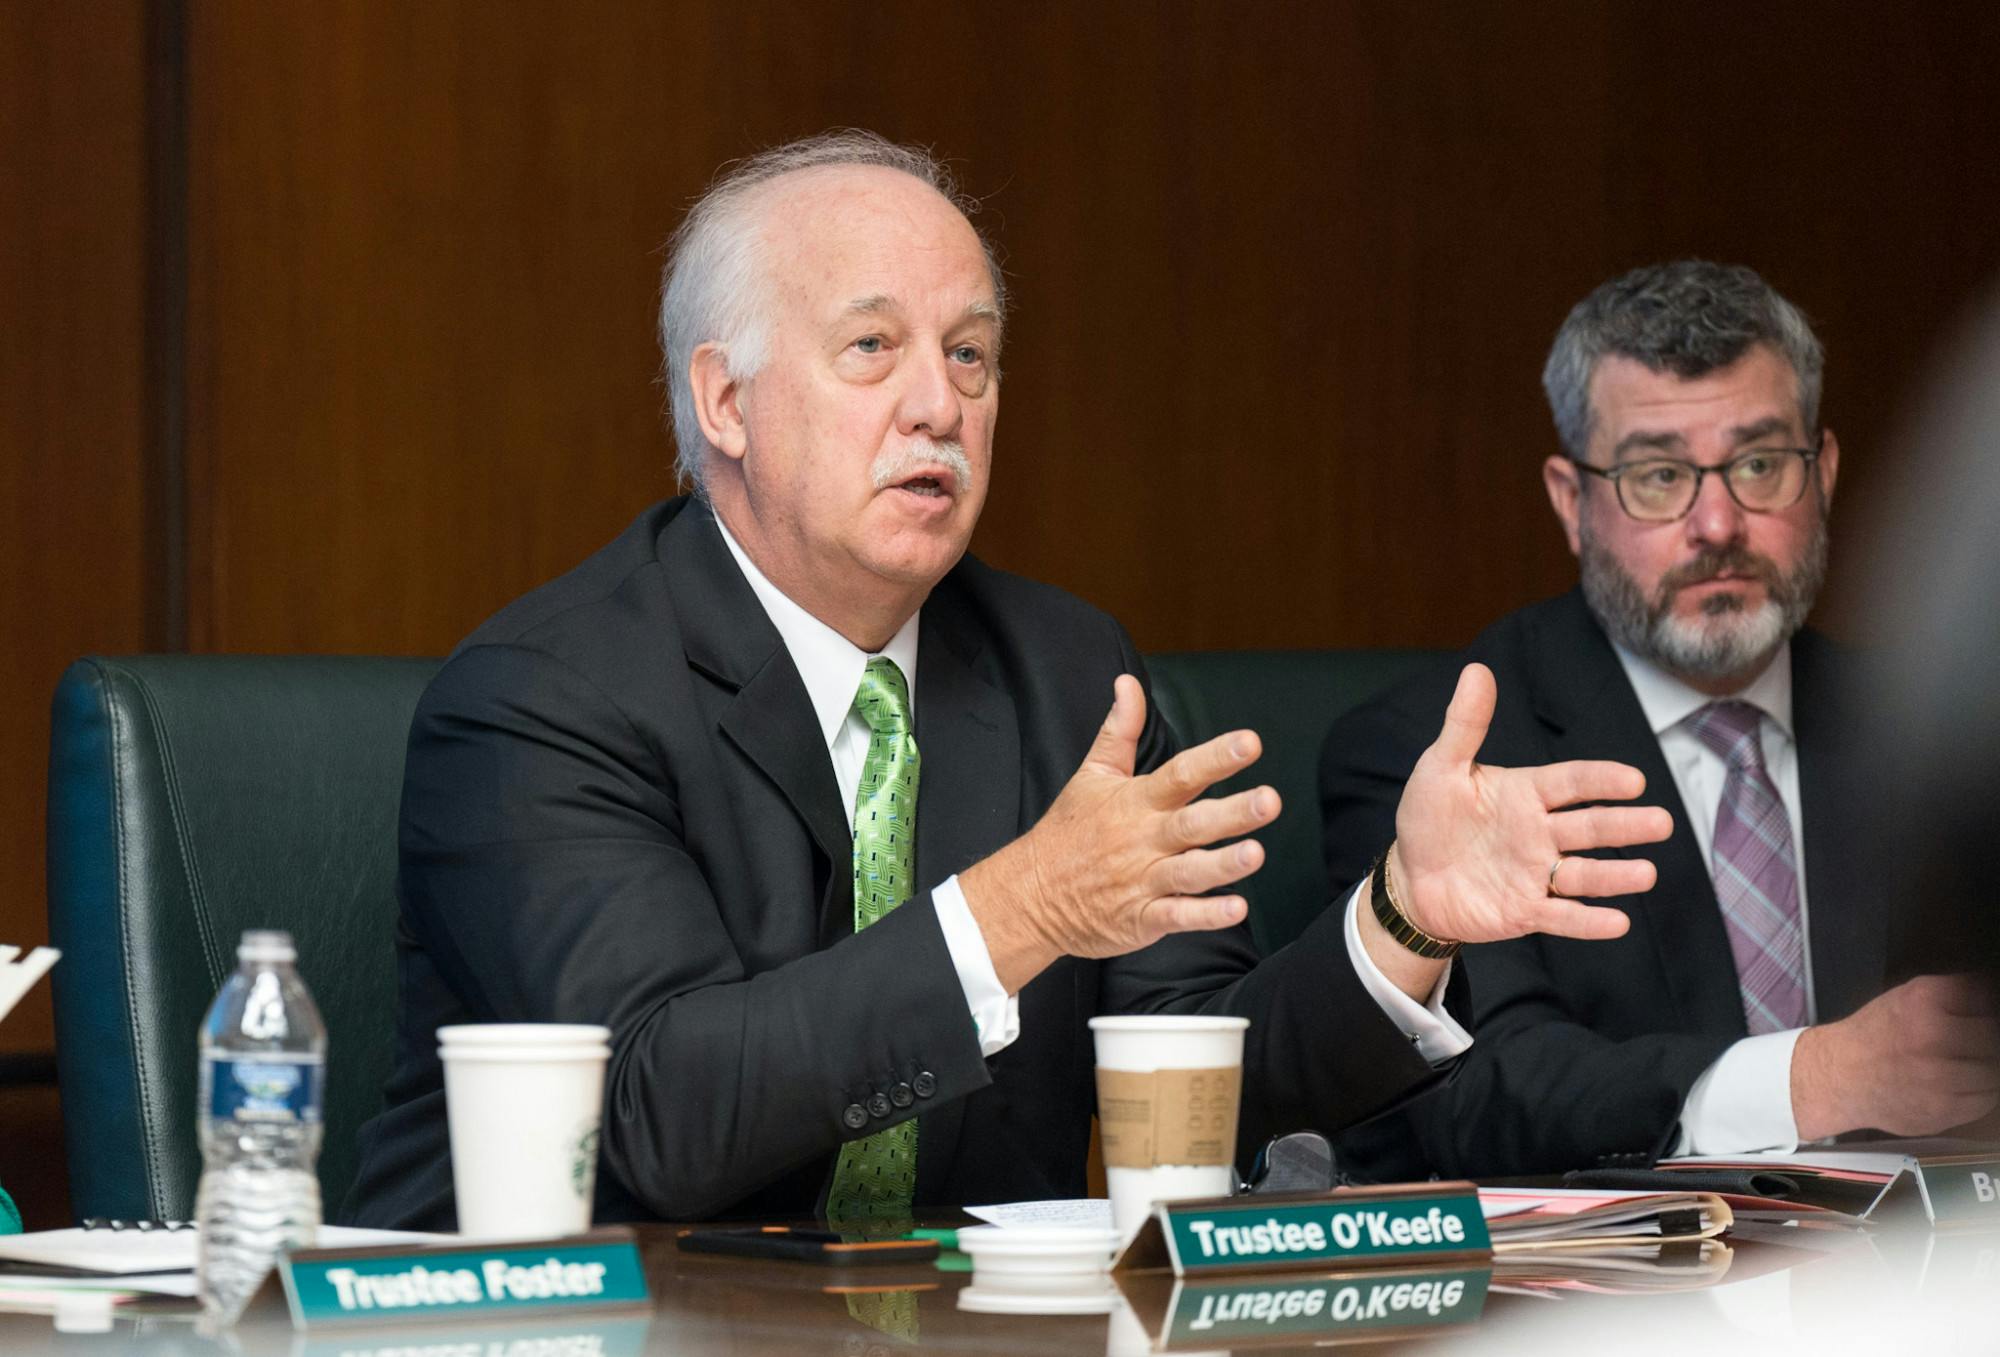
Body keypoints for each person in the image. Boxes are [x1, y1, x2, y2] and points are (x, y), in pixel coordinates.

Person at [345, 133, 1669, 1229]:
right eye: (873, 349)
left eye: (970, 354)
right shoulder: (541, 698)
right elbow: (661, 1114)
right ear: (726, 403)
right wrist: (1021, 905)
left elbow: (1204, 1072)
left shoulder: (1065, 669)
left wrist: (1401, 923)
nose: (940, 405)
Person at [1318, 260, 2000, 1178]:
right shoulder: (1437, 754)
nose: (1716, 521)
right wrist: (1818, 1078)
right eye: (1657, 475)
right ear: (1573, 502)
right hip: (1617, 1303)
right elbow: (1472, 1089)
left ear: (1825, 472)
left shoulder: (1934, 733)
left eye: (1760, 464)